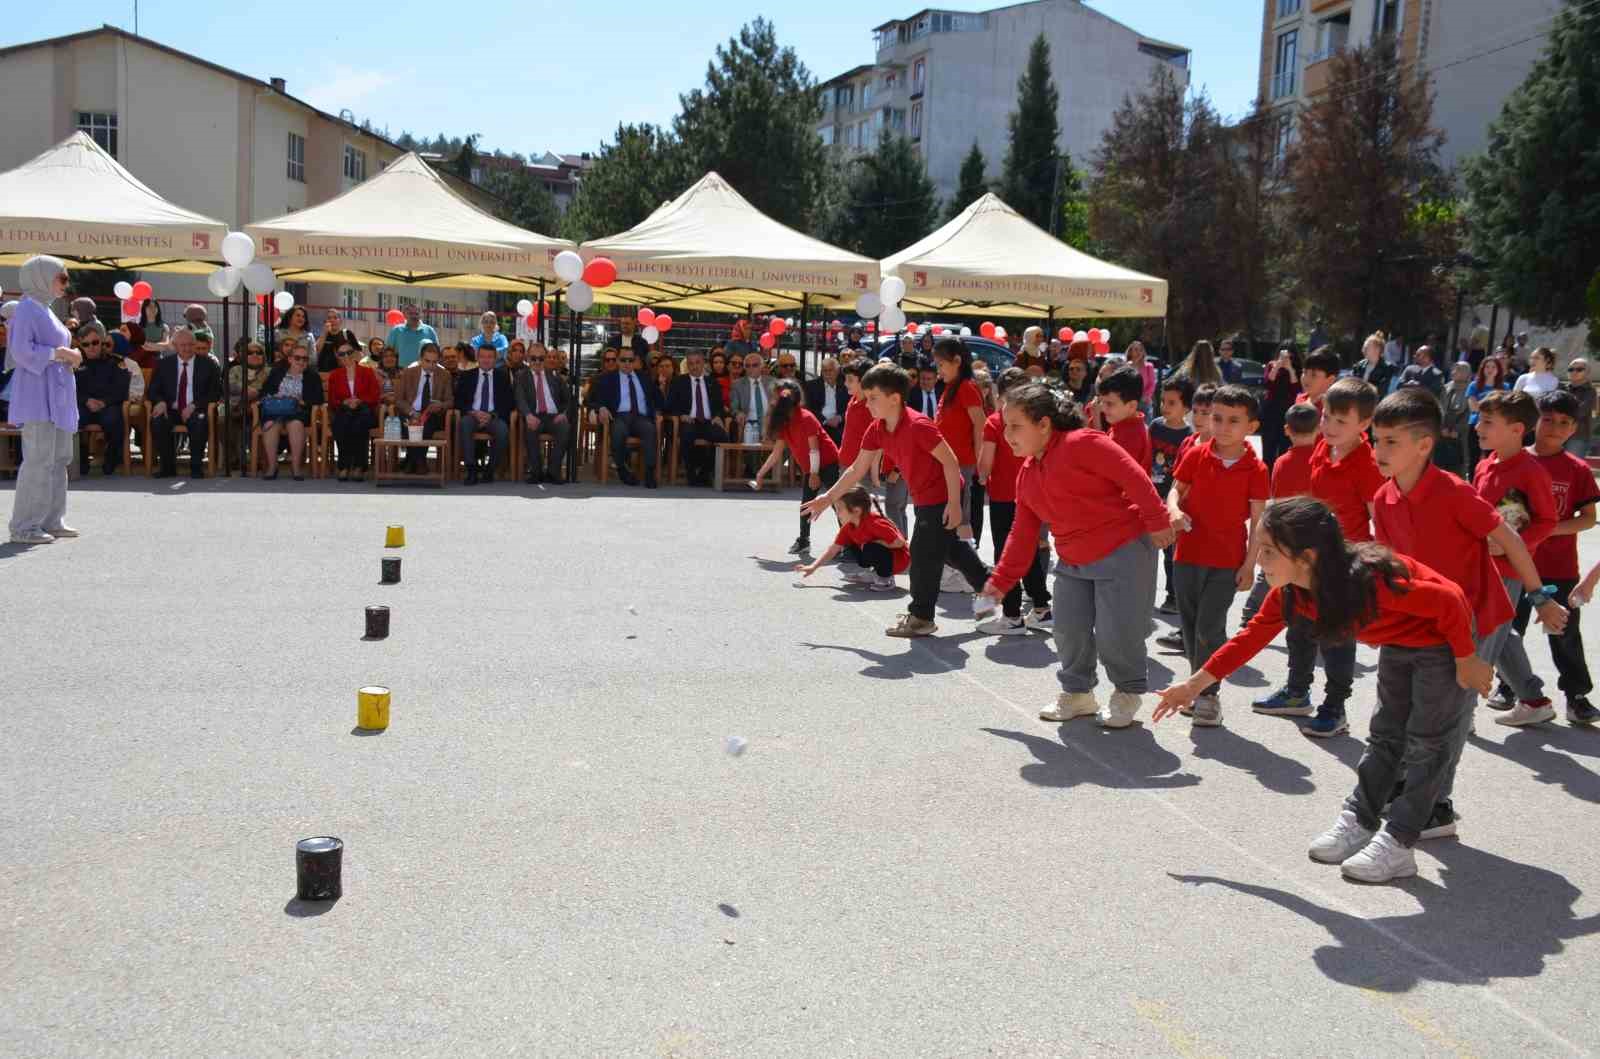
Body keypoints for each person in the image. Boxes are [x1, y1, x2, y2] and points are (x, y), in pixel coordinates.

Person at [1153, 498, 1491, 883]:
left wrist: (1466, 659)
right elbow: (1250, 637)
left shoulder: (1368, 582)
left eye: (1268, 551)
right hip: (1401, 641)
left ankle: (1399, 842)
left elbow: (1448, 600)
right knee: (1386, 734)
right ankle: (1360, 819)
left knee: (1428, 743)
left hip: (1443, 640)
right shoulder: (1293, 591)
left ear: (1307, 556)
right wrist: (1192, 686)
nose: (1259, 560)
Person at [1369, 388, 1566, 839]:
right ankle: (1407, 786)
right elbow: (1390, 558)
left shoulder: (1454, 492)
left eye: (1390, 442)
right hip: (1421, 615)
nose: (1378, 451)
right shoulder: (1384, 496)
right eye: (1375, 440)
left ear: (1424, 444)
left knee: (1449, 716)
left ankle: (1437, 806)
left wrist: (1539, 597)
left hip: (1475, 616)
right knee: (1404, 711)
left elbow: (1513, 539)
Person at [978, 382, 1172, 724]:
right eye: (1005, 426)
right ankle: (1079, 695)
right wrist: (1000, 582)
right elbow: (1021, 534)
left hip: (1122, 550)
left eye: (1015, 426)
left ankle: (1126, 692)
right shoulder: (1026, 476)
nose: (1007, 435)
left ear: (1044, 424)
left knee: (1117, 633)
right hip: (1073, 559)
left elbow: (1134, 476)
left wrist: (1157, 520)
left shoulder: (1084, 442)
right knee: (1067, 630)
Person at [802, 363, 991, 638]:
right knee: (953, 551)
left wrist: (953, 504)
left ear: (895, 398)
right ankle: (998, 591)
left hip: (942, 495)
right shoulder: (877, 428)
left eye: (873, 398)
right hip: (925, 496)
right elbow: (857, 468)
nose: (868, 405)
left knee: (924, 556)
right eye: (866, 398)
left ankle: (921, 617)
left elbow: (951, 463)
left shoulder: (919, 425)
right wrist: (828, 497)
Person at [1252, 378, 1383, 736]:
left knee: (1337, 639)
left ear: (1364, 425)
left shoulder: (1367, 465)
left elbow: (1380, 517)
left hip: (1343, 566)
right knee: (1299, 628)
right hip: (1307, 559)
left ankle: (1335, 707)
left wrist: (1373, 567)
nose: (1329, 427)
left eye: (1342, 421)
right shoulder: (1322, 449)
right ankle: (1297, 692)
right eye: (1326, 417)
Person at [1488, 390, 1598, 724]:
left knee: (1564, 632)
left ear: (1573, 430)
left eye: (1564, 423)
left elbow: (1588, 519)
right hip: (1517, 566)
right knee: (1508, 628)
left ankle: (1576, 696)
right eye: (1548, 419)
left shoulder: (1577, 470)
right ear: (1534, 421)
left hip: (1558, 566)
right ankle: (1510, 687)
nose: (1553, 427)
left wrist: (1545, 529)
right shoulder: (1515, 461)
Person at [1165, 384, 1269, 727]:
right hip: (1187, 556)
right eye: (1217, 418)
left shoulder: (1256, 468)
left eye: (1233, 421)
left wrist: (1250, 565)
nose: (1222, 427)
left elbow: (1258, 521)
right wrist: (1175, 512)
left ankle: (1209, 697)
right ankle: (1194, 689)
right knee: (1191, 627)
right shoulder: (1196, 453)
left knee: (1211, 628)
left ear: (1250, 427)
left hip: (1226, 561)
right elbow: (1174, 493)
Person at [1472, 389, 1561, 724]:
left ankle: (1462, 706)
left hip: (1508, 569)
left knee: (1487, 633)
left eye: (1488, 422)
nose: (1478, 427)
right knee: (1501, 631)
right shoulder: (1484, 465)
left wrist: (1513, 543)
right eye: (1479, 420)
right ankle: (1534, 701)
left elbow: (1547, 521)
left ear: (1516, 429)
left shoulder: (1531, 470)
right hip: (1478, 563)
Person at [5, 257, 81, 544]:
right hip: (39, 393)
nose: (65, 284)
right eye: (61, 278)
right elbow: (21, 351)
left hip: (55, 392)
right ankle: (25, 525)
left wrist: (67, 355)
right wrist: (61, 353)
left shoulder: (44, 309)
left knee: (59, 457)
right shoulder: (26, 309)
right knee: (38, 458)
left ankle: (51, 519)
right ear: (41, 277)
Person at [975, 369, 1054, 635]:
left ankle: (1011, 615)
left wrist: (982, 476)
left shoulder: (995, 422)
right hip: (1032, 494)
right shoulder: (1036, 420)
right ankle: (1042, 608)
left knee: (1006, 552)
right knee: (1028, 551)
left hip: (1003, 496)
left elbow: (985, 463)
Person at [753, 378, 840, 554]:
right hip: (811, 468)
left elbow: (814, 449)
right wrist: (760, 474)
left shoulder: (806, 418)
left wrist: (815, 474)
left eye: (775, 398)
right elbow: (777, 453)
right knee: (806, 505)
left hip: (828, 463)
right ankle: (804, 540)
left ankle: (849, 544)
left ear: (785, 401)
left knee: (837, 503)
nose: (771, 401)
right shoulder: (785, 422)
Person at [796, 485, 907, 590]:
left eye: (839, 509)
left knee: (869, 547)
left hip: (899, 560)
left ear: (856, 511)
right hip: (881, 554)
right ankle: (873, 573)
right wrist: (813, 567)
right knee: (852, 545)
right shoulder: (849, 527)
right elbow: (833, 549)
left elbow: (900, 542)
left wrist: (876, 542)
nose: (837, 513)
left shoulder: (875, 523)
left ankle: (886, 578)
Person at [932, 339, 985, 552]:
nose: (938, 370)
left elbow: (981, 425)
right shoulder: (952, 387)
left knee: (961, 516)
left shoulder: (966, 387)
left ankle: (968, 569)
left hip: (961, 463)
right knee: (953, 515)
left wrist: (980, 463)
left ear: (957, 361)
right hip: (948, 463)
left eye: (941, 365)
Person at [148, 327, 222, 480]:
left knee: (200, 421)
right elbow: (153, 390)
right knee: (157, 421)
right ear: (175, 346)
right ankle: (167, 467)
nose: (187, 348)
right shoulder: (163, 364)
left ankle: (196, 467)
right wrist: (160, 402)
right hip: (171, 408)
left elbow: (215, 392)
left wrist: (194, 405)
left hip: (196, 408)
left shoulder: (209, 364)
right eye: (183, 345)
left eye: (190, 344)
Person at [1150, 376, 1195, 615]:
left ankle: (1173, 596)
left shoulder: (1189, 436)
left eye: (1172, 403)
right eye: (1163, 401)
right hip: (1151, 497)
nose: (1164, 407)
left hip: (1173, 502)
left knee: (1170, 553)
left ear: (1186, 407)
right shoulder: (1155, 426)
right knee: (1146, 551)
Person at [588, 347, 661, 488]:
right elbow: (594, 399)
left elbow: (658, 399)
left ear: (635, 361)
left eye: (630, 360)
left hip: (641, 417)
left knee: (650, 430)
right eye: (623, 360)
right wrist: (601, 408)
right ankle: (622, 469)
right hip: (619, 416)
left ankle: (649, 472)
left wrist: (658, 411)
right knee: (618, 431)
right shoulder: (608, 378)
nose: (627, 363)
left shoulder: (644, 377)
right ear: (617, 361)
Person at [258, 341, 322, 480]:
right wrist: (275, 397)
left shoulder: (312, 376)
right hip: (277, 411)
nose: (301, 361)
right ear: (290, 359)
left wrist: (302, 402)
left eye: (305, 359)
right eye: (297, 358)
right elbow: (264, 392)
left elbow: (318, 400)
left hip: (298, 412)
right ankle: (272, 466)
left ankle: (296, 467)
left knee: (295, 424)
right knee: (271, 425)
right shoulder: (277, 373)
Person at [666, 348, 727, 487]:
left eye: (697, 363)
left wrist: (718, 416)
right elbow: (669, 405)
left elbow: (719, 405)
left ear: (703, 364)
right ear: (687, 365)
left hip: (708, 421)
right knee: (687, 434)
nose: (694, 366)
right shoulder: (679, 382)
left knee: (722, 436)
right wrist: (681, 415)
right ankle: (691, 474)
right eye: (691, 363)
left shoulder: (712, 382)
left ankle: (705, 473)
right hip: (689, 421)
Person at [454, 343, 513, 485]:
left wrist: (492, 415)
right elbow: (458, 400)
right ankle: (471, 469)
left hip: (493, 416)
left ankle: (490, 469)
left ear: (495, 358)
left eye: (490, 357)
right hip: (472, 415)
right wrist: (472, 412)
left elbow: (509, 403)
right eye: (483, 356)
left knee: (503, 430)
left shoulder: (503, 377)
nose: (486, 360)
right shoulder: (467, 376)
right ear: (477, 358)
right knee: (464, 424)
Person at [326, 331, 382, 481]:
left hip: (364, 410)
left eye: (349, 352)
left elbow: (375, 395)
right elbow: (332, 400)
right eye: (341, 354)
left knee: (359, 421)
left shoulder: (367, 372)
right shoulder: (335, 375)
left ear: (355, 352)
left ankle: (358, 466)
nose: (346, 357)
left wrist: (359, 400)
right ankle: (344, 465)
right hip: (343, 410)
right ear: (337, 356)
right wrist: (344, 402)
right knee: (343, 420)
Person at [74, 324, 129, 476]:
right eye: (86, 344)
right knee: (73, 418)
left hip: (108, 404)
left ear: (102, 341)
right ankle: (81, 458)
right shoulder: (75, 363)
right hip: (84, 404)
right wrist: (86, 400)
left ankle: (112, 457)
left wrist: (103, 402)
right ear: (80, 344)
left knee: (113, 419)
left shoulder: (116, 361)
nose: (91, 347)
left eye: (95, 342)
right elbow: (69, 389)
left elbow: (122, 389)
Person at [513, 341, 571, 484]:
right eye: (534, 358)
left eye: (541, 358)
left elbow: (569, 400)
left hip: (553, 417)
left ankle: (553, 471)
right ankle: (536, 471)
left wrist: (563, 413)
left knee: (565, 427)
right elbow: (520, 399)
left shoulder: (556, 377)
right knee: (531, 428)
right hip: (534, 415)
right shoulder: (521, 376)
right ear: (527, 358)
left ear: (545, 358)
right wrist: (528, 415)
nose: (537, 362)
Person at [393, 341, 452, 474]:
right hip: (410, 411)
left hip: (431, 413)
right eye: (427, 361)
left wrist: (441, 405)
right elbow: (399, 399)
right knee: (408, 422)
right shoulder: (408, 372)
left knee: (427, 423)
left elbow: (450, 400)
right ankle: (419, 462)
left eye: (435, 362)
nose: (431, 365)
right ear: (420, 359)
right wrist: (411, 412)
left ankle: (412, 461)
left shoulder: (445, 375)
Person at [1097, 368, 1150, 474]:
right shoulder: (1122, 423)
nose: (1103, 408)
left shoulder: (1131, 437)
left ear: (1132, 406)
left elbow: (1115, 476)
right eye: (1102, 402)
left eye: (1109, 404)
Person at [1466, 354, 1513, 471]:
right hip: (1476, 425)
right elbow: (1473, 407)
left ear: (1498, 370)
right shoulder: (1474, 385)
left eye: (1493, 367)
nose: (1490, 370)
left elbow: (1505, 408)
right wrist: (1494, 404)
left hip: (1495, 427)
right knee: (1474, 458)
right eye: (1487, 367)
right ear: (1482, 369)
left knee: (1491, 457)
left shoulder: (1505, 387)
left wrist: (1483, 404)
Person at [1259, 347, 1302, 467]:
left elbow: (1297, 389)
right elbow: (1267, 383)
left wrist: (1290, 369)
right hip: (1271, 410)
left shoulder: (1296, 368)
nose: (1285, 359)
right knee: (1268, 447)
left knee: (1285, 446)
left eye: (1288, 356)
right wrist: (1277, 366)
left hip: (1288, 411)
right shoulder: (1272, 365)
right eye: (1283, 356)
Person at [730, 350, 775, 445]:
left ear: (761, 366)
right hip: (749, 424)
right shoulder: (737, 385)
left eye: (754, 365)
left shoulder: (772, 382)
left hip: (770, 422)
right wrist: (738, 413)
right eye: (747, 366)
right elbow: (734, 407)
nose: (751, 368)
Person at [1437, 361, 1473, 475]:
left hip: (1461, 436)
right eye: (1453, 369)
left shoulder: (1470, 388)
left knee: (1457, 468)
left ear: (1466, 373)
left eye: (1458, 369)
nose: (1453, 372)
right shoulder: (1446, 388)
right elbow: (1440, 407)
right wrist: (1442, 427)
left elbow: (1469, 412)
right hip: (1443, 434)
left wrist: (1457, 430)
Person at [805, 355, 848, 444]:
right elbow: (809, 408)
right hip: (819, 425)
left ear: (838, 371)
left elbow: (850, 408)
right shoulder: (811, 386)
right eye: (825, 371)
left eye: (831, 370)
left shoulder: (846, 386)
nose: (828, 373)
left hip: (839, 425)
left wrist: (840, 418)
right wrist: (824, 421)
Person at [386, 303, 439, 368]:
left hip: (425, 371)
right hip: (401, 371)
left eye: (416, 314)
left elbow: (437, 351)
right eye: (410, 313)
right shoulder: (397, 330)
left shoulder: (429, 331)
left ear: (421, 315)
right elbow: (388, 351)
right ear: (404, 315)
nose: (414, 316)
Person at [1561, 357, 1594, 458]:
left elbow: (1580, 412)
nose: (1574, 372)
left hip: (1578, 436)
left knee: (1572, 469)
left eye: (1579, 369)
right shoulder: (1562, 389)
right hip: (1558, 433)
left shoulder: (1590, 391)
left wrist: (1561, 412)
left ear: (1587, 373)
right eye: (1571, 369)